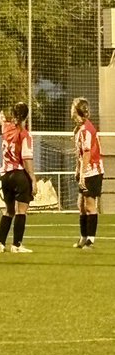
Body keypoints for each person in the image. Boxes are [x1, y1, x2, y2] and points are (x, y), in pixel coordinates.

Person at [0, 104, 36, 253]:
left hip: (5, 176)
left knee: (8, 211)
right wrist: (32, 179)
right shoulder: (24, 134)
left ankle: (1, 244)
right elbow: (26, 159)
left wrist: (2, 117)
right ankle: (16, 245)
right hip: (19, 175)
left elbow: (1, 119)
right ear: (26, 116)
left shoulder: (6, 128)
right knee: (21, 211)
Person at [72, 97, 104, 249]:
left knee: (90, 205)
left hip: (92, 171)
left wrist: (83, 174)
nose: (71, 109)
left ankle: (90, 240)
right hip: (85, 171)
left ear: (77, 110)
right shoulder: (79, 128)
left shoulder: (86, 130)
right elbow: (79, 154)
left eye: (73, 106)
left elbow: (87, 153)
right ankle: (83, 237)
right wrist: (77, 170)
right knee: (81, 205)